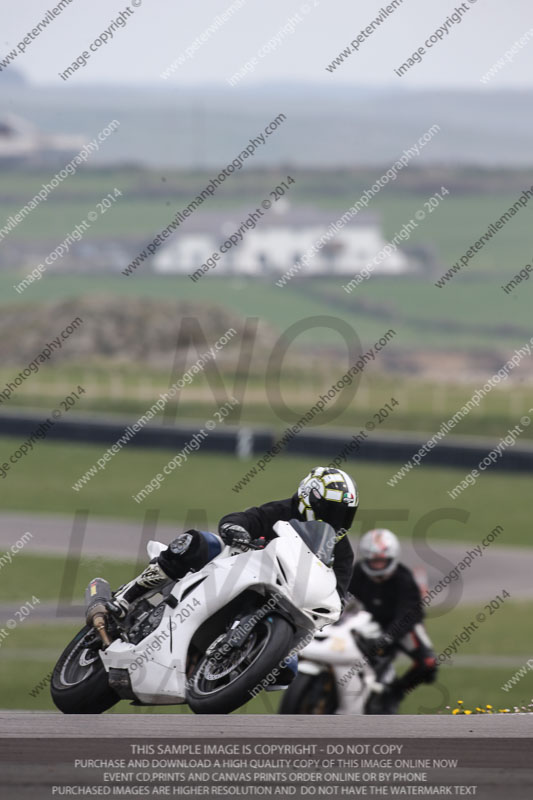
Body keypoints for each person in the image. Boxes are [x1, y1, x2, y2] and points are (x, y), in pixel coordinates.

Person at [108, 466, 358, 616]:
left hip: (280, 604)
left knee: (287, 669)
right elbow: (244, 518)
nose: (337, 519)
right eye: (332, 510)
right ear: (309, 499)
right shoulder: (282, 511)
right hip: (235, 572)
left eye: (344, 513)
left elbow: (336, 595)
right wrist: (236, 530)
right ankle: (125, 598)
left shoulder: (341, 552)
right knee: (196, 542)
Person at [348, 528, 437, 714]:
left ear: (392, 558)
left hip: (402, 626)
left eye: (382, 561)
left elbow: (408, 614)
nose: (377, 566)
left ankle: (396, 692)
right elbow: (345, 601)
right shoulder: (357, 573)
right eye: (373, 561)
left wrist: (388, 637)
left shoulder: (404, 579)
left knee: (428, 663)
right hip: (367, 623)